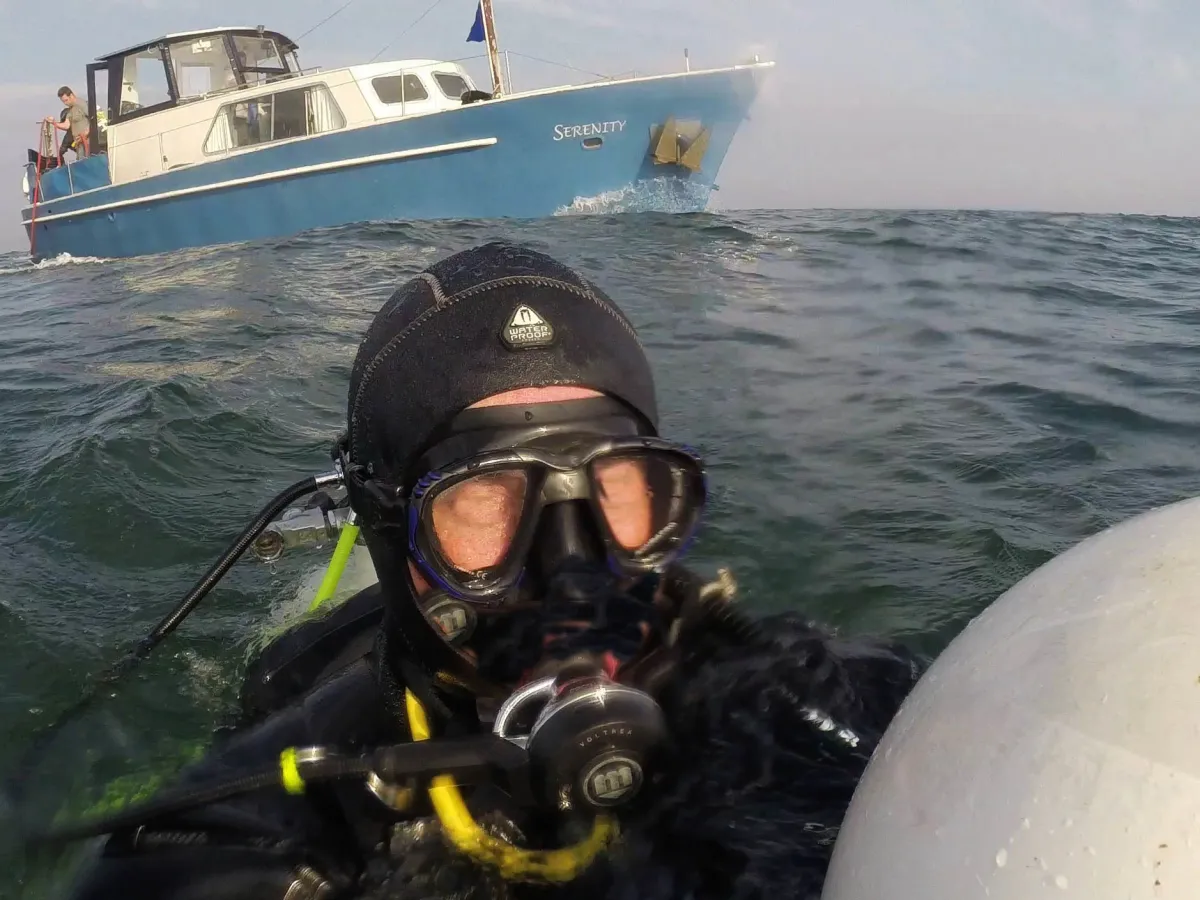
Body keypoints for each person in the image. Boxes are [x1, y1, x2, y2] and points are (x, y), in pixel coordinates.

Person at [64, 242, 926, 900]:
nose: (573, 573)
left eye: (619, 489)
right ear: (386, 528)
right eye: (483, 501)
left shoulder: (793, 704)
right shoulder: (263, 816)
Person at [44, 86, 90, 160]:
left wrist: (87, 132)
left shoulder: (82, 104)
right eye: (63, 101)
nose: (65, 103)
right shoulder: (70, 110)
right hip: (79, 145)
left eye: (66, 100)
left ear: (71, 95)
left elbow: (95, 118)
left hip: (88, 143)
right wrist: (53, 123)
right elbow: (66, 125)